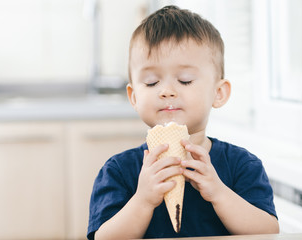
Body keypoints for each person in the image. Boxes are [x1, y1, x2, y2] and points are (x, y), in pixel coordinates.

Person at [87, 5, 279, 240]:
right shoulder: (118, 171)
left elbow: (268, 232)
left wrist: (219, 193)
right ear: (134, 97)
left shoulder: (242, 166)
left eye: (185, 80)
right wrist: (143, 200)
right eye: (151, 82)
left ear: (218, 93)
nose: (167, 91)